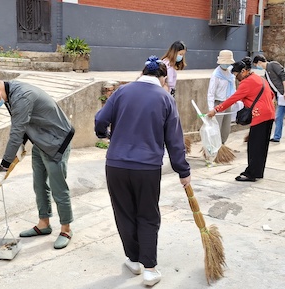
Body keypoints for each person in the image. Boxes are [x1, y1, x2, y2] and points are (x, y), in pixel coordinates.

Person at [94, 56, 191, 286]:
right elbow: (174, 140)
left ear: (142, 72)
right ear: (163, 77)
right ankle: (149, 269)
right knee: (147, 215)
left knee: (124, 213)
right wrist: (183, 170)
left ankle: (134, 261)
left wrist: (107, 136)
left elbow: (100, 120)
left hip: (116, 165)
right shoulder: (165, 98)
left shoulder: (121, 92)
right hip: (147, 168)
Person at [0, 74, 75, 250]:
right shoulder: (9, 93)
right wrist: (21, 145)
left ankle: (66, 229)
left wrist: (3, 165)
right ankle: (44, 224)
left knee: (59, 188)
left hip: (57, 142)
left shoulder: (22, 96)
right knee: (39, 185)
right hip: (41, 141)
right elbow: (24, 122)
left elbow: (16, 131)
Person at [207, 57, 275, 182]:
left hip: (259, 115)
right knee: (262, 146)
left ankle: (251, 174)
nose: (236, 77)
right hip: (270, 114)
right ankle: (258, 172)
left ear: (243, 71)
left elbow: (233, 99)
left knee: (254, 146)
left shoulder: (247, 82)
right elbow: (272, 95)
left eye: (236, 74)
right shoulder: (260, 79)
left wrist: (215, 110)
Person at [207, 50, 236, 144]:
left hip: (228, 103)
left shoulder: (230, 72)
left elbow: (233, 87)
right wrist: (211, 108)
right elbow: (211, 93)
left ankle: (222, 144)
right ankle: (215, 147)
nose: (227, 65)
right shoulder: (216, 75)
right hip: (219, 103)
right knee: (217, 128)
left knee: (226, 128)